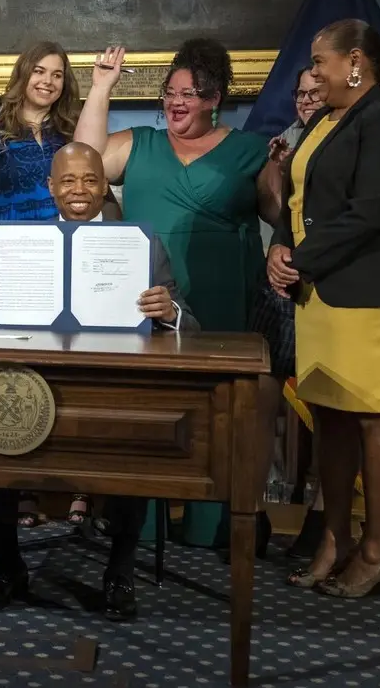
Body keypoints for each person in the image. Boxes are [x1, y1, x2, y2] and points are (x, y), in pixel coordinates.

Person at [0, 142, 199, 621]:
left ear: (104, 187)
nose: (78, 189)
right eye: (67, 180)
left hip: (110, 389)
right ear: (50, 188)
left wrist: (169, 312)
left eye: (90, 180)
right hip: (33, 385)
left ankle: (119, 569)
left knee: (138, 442)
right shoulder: (13, 246)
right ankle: (6, 564)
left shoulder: (140, 244)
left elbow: (188, 325)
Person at [76, 39, 282, 552]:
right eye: (170, 92)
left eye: (189, 93)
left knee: (220, 413)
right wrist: (101, 86)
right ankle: (139, 525)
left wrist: (289, 169)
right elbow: (83, 160)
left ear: (214, 98)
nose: (176, 102)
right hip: (149, 299)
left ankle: (213, 524)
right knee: (152, 410)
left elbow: (282, 215)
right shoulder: (141, 143)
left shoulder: (249, 149)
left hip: (225, 298)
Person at [269, 19, 380, 597]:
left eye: (320, 62)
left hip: (374, 292)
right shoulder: (325, 122)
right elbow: (298, 199)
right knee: (330, 419)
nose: (314, 74)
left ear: (354, 62)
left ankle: (378, 549)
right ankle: (335, 538)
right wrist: (280, 252)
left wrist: (302, 258)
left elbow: (374, 211)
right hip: (322, 292)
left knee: (371, 418)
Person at [0, 40, 114, 528]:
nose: (48, 80)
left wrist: (102, 86)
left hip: (66, 254)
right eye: (40, 71)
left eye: (57, 74)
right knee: (17, 370)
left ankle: (78, 488)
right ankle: (21, 490)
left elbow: (90, 164)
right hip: (13, 259)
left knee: (69, 367)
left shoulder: (68, 132)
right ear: (23, 75)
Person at [255, 68, 329, 558]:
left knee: (328, 406)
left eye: (314, 93)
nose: (304, 102)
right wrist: (276, 170)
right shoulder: (289, 142)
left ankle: (323, 515)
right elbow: (278, 214)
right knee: (259, 394)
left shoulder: (352, 139)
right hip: (281, 292)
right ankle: (252, 510)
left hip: (328, 290)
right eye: (299, 94)